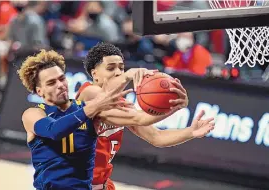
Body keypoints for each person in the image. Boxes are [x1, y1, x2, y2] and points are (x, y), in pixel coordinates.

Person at [75, 42, 215, 190]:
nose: (118, 72)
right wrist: (128, 76)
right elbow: (138, 117)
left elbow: (157, 137)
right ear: (94, 73)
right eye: (111, 68)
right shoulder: (89, 93)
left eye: (121, 68)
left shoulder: (122, 104)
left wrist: (189, 131)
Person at [18, 49, 144, 189]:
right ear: (39, 91)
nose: (60, 85)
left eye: (62, 78)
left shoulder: (86, 108)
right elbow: (54, 130)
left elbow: (139, 119)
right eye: (51, 83)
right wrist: (125, 78)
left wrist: (171, 106)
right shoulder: (33, 113)